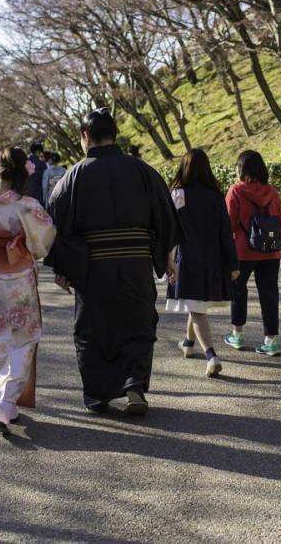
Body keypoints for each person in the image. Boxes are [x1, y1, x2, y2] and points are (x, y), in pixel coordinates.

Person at [46, 108, 179, 415]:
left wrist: (63, 268)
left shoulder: (73, 177)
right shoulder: (142, 170)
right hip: (136, 263)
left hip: (93, 267)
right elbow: (166, 216)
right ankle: (133, 384)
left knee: (93, 329)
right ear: (114, 135)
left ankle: (97, 395)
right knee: (137, 324)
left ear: (85, 137)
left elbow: (56, 224)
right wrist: (167, 258)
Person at [0, 148, 56, 434]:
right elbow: (43, 240)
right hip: (17, 277)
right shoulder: (26, 206)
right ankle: (6, 403)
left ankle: (4, 403)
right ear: (22, 172)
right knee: (24, 338)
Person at [166, 149, 239, 378]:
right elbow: (225, 233)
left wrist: (167, 261)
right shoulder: (215, 194)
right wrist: (233, 263)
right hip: (213, 260)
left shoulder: (178, 194)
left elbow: (170, 231)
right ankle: (188, 343)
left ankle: (211, 356)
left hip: (187, 260)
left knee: (197, 310)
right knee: (195, 304)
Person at [224, 150, 281, 357]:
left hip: (242, 252)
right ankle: (271, 340)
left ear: (242, 169)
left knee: (238, 291)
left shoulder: (236, 191)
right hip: (270, 252)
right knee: (269, 295)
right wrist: (275, 245)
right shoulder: (273, 193)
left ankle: (238, 335)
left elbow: (228, 223)